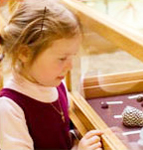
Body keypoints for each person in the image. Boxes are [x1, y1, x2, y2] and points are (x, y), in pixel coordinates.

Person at [0, 0, 103, 149]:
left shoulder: (56, 84)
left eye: (72, 56)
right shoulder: (9, 109)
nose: (70, 66)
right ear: (24, 53)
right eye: (62, 58)